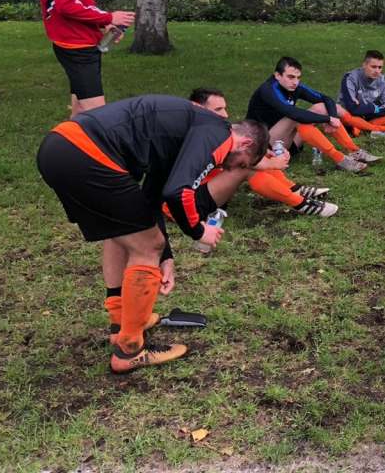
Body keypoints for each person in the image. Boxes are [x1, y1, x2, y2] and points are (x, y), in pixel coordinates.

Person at [36, 95, 268, 373]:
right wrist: (198, 231)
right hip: (88, 153)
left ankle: (120, 323)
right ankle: (130, 349)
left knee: (123, 231)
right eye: (242, 163)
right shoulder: (219, 132)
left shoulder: (189, 129)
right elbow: (178, 192)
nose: (231, 168)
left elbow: (153, 198)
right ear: (246, 143)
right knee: (146, 246)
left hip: (59, 147)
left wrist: (165, 256)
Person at [189, 88, 337, 217]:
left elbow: (238, 138)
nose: (225, 114)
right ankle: (301, 203)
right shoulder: (196, 132)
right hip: (187, 205)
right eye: (218, 110)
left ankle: (294, 189)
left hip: (206, 186)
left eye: (224, 108)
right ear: (197, 108)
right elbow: (245, 161)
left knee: (254, 154)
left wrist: (265, 152)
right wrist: (273, 163)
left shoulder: (210, 126)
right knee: (247, 167)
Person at [246, 57, 380, 174]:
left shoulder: (293, 86)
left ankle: (355, 150)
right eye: (291, 77)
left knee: (320, 107)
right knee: (295, 117)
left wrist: (331, 117)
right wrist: (327, 119)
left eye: (298, 77)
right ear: (277, 75)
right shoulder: (268, 90)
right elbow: (293, 113)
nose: (295, 82)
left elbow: (326, 98)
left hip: (288, 143)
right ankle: (340, 159)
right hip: (265, 146)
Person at [338, 50, 385, 134]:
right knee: (339, 111)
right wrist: (374, 108)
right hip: (351, 114)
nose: (377, 71)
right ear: (364, 65)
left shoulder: (383, 79)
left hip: (368, 112)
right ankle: (373, 127)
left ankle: (361, 126)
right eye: (373, 67)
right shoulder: (350, 78)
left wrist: (373, 109)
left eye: (380, 67)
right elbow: (351, 108)